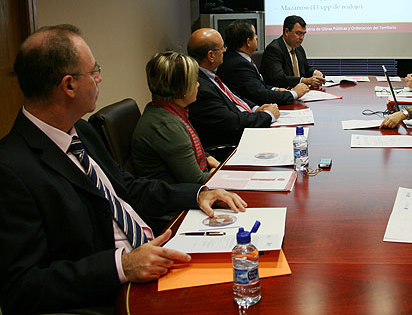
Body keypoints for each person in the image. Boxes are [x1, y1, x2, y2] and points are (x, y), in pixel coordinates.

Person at [0, 24, 247, 314]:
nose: (100, 78)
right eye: (94, 71)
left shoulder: (80, 130)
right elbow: (21, 288)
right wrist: (121, 266)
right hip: (115, 293)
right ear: (68, 85)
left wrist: (198, 194)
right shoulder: (11, 168)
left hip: (154, 250)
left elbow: (127, 188)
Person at [132, 52, 220, 184]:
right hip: (180, 200)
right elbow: (196, 181)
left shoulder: (165, 110)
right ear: (181, 88)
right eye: (193, 81)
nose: (198, 85)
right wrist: (221, 173)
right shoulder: (166, 126)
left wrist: (208, 158)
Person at [187, 28, 279, 148]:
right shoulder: (200, 87)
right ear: (211, 56)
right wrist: (267, 115)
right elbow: (231, 123)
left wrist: (255, 108)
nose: (225, 50)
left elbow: (234, 97)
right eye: (221, 48)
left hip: (248, 125)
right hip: (235, 144)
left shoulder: (210, 75)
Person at [217, 20, 309, 105]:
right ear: (248, 42)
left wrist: (275, 89)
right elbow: (261, 95)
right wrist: (294, 93)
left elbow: (258, 85)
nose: (257, 37)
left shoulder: (238, 59)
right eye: (255, 34)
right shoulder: (237, 65)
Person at [260, 15, 325, 88]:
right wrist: (304, 81)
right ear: (286, 32)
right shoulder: (274, 49)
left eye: (304, 34)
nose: (302, 38)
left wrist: (314, 72)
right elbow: (278, 78)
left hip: (300, 92)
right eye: (298, 33)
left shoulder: (299, 48)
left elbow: (305, 69)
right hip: (281, 94)